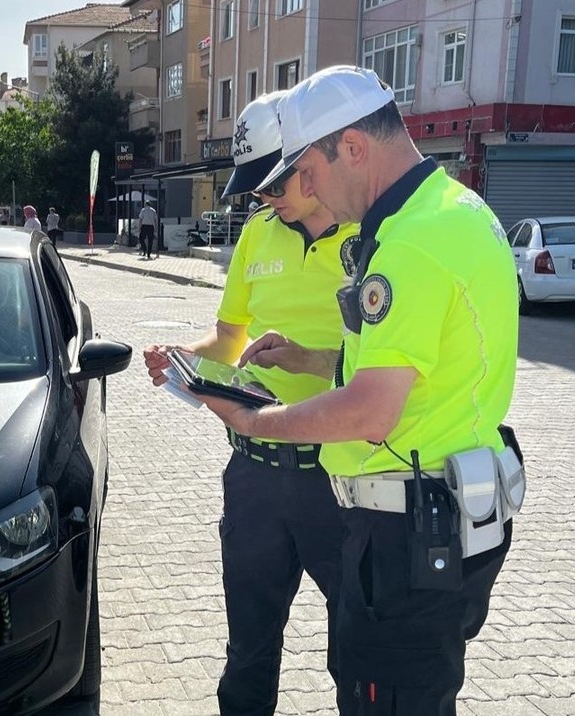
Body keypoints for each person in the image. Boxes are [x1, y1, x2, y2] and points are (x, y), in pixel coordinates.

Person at [200, 65, 520, 715]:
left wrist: (252, 421)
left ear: (351, 146)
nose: (306, 191)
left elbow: (372, 411)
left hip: (406, 527)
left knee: (386, 698)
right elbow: (415, 365)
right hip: (455, 508)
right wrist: (318, 359)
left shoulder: (407, 243)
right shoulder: (457, 208)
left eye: (307, 171)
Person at [143, 90, 360, 716]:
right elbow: (229, 338)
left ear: (311, 160)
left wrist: (307, 358)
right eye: (255, 189)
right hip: (256, 477)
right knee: (248, 653)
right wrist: (184, 357)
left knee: (354, 649)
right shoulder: (257, 236)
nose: (263, 199)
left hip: (342, 475)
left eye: (273, 183)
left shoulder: (371, 236)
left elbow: (388, 363)